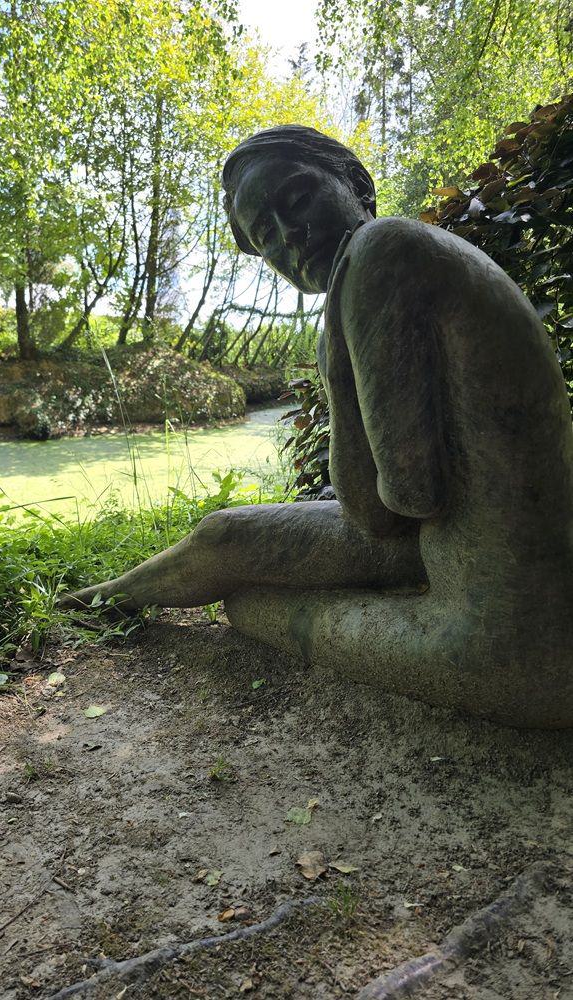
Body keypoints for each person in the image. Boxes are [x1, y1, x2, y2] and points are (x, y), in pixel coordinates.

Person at [62, 125, 573, 728]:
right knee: (226, 536)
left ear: (354, 182)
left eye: (297, 199)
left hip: (512, 644)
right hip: (462, 556)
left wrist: (336, 373)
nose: (287, 236)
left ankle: (97, 602)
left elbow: (394, 504)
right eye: (264, 235)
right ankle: (99, 599)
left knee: (250, 606)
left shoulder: (379, 252)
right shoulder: (404, 252)